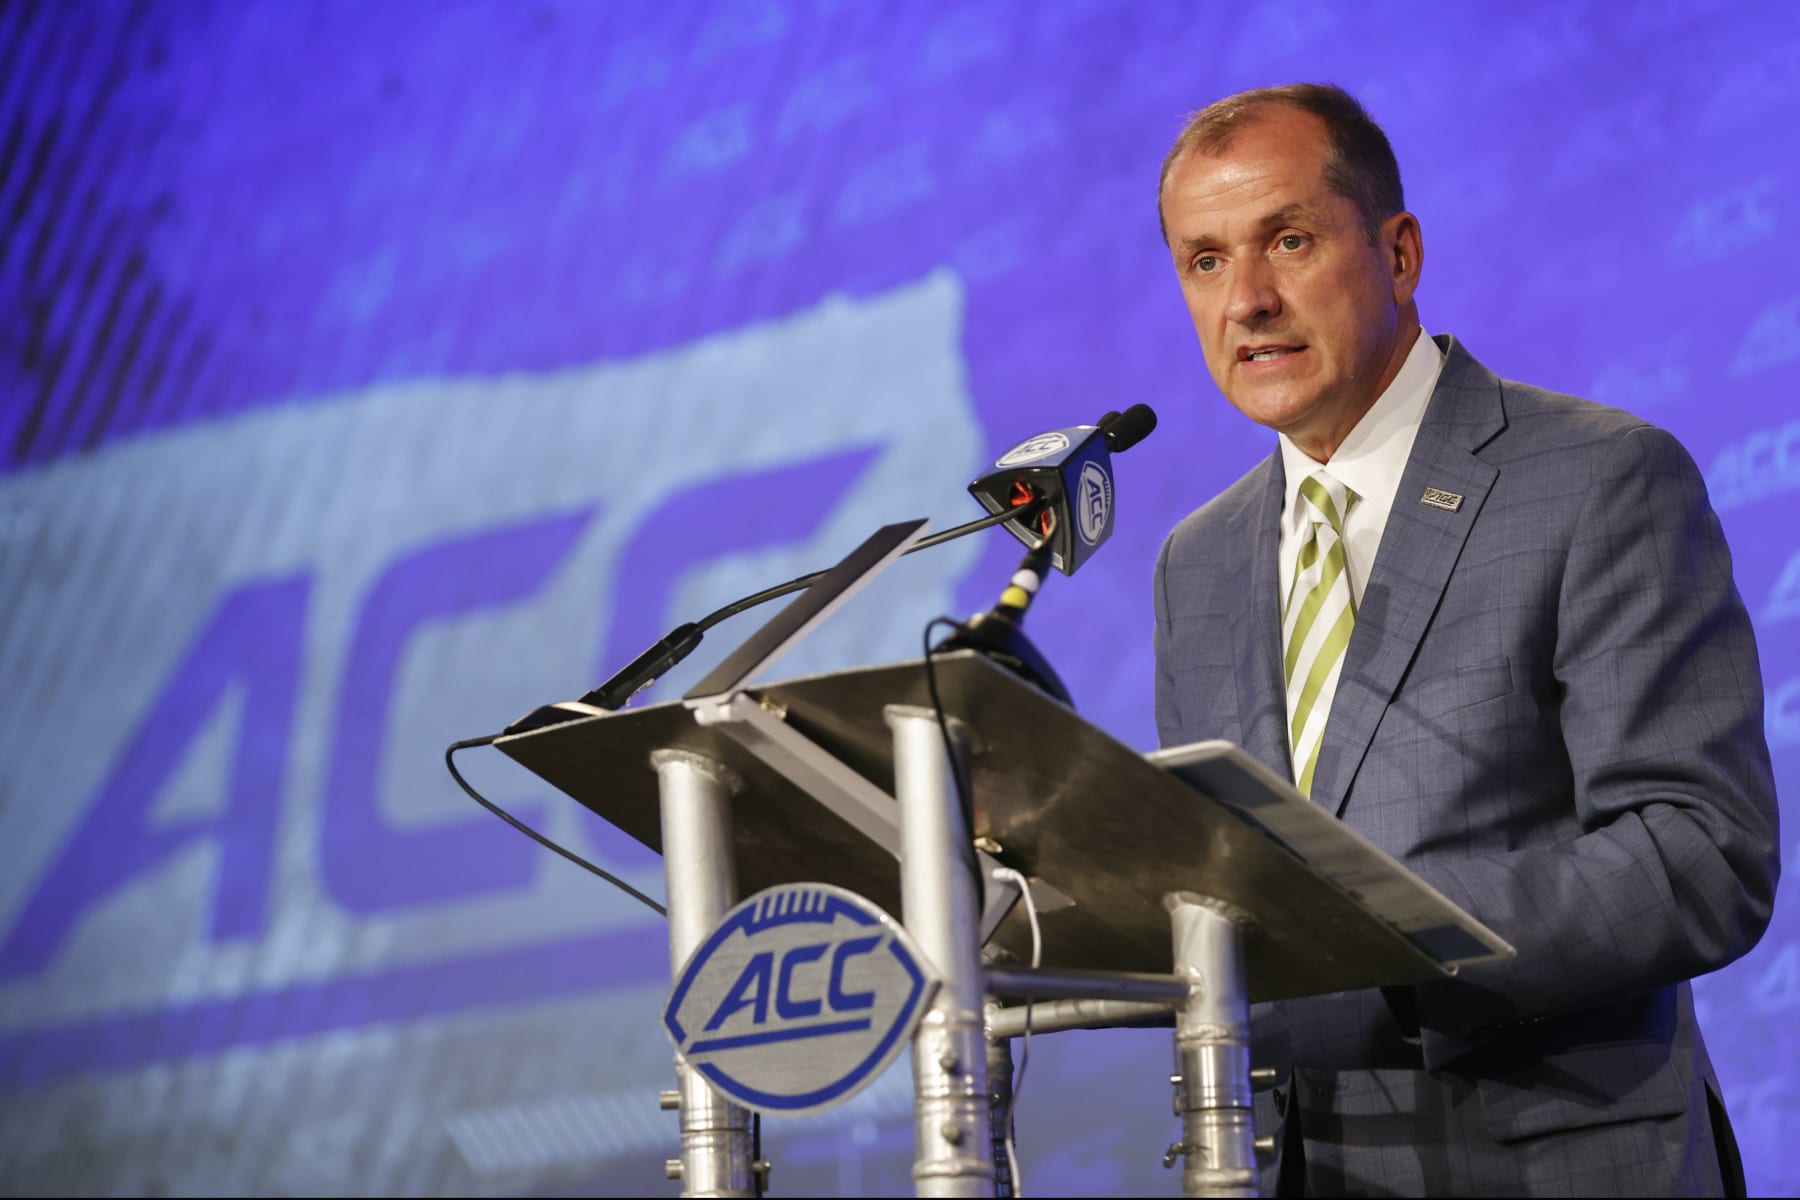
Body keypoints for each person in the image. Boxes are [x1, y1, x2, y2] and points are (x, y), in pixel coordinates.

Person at [1151, 83, 1780, 1197]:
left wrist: (1393, 938)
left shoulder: (1599, 477)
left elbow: (1700, 853)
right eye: (1204, 261)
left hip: (1560, 1161)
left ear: (1399, 253)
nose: (1246, 299)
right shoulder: (1194, 563)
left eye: (1287, 240)